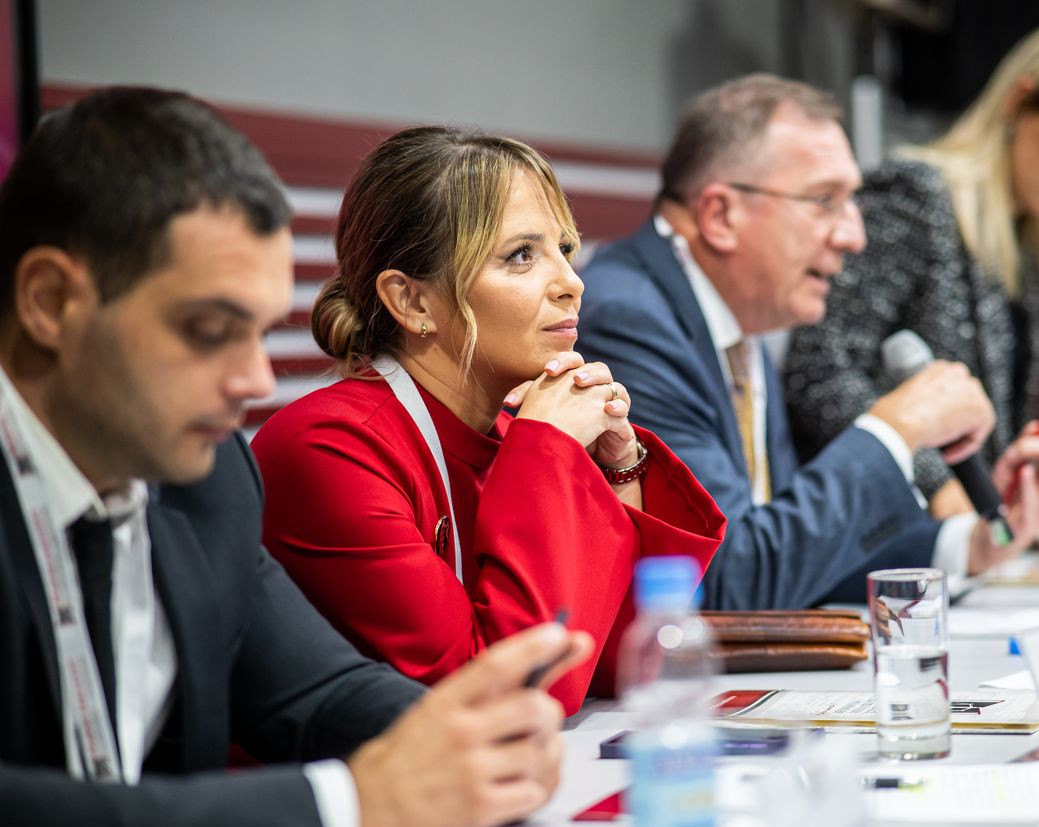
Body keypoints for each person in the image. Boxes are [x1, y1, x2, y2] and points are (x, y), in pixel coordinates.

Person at [0, 86, 594, 827]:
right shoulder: (294, 447)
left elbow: (317, 691)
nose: (254, 381)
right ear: (51, 302)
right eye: (208, 330)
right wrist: (348, 809)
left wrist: (471, 742)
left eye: (258, 333)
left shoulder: (204, 483)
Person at [251, 126, 725, 715]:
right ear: (413, 301)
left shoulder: (507, 434)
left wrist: (620, 469)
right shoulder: (329, 448)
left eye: (564, 249)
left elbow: (619, 664)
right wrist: (546, 452)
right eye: (521, 255)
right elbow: (500, 696)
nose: (572, 283)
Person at [576, 73, 1039, 609]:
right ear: (720, 216)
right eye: (824, 201)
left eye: (851, 203)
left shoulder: (736, 318)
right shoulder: (632, 320)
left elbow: (791, 556)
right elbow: (727, 578)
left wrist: (972, 545)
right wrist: (895, 430)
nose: (854, 236)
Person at [786, 20, 1039, 522]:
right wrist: (941, 491)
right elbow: (818, 373)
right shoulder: (915, 197)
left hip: (961, 545)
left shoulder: (1021, 243)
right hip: (878, 537)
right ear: (1020, 104)